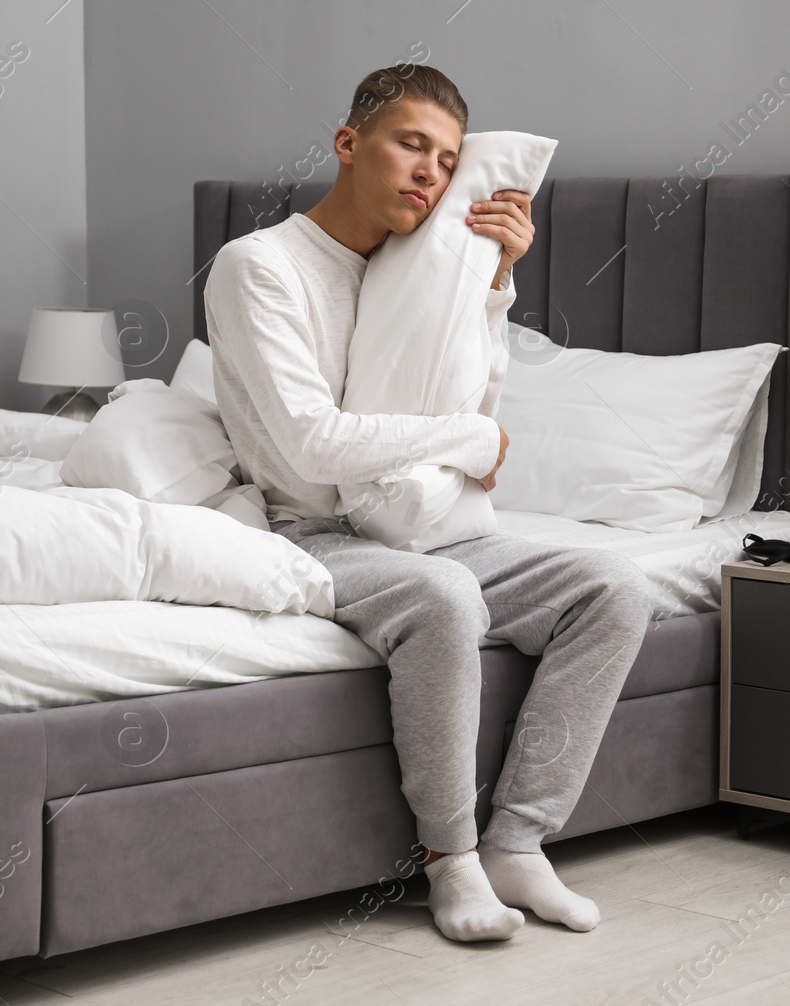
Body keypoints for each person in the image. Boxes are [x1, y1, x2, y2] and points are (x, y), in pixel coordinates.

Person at [203, 64, 652, 943]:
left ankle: (520, 839)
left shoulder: (418, 273)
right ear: (348, 143)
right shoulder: (259, 265)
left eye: (449, 161)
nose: (431, 175)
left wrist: (494, 283)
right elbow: (311, 443)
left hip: (426, 523)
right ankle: (452, 860)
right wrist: (468, 444)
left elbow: (470, 408)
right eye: (412, 144)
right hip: (313, 530)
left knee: (614, 586)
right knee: (446, 600)